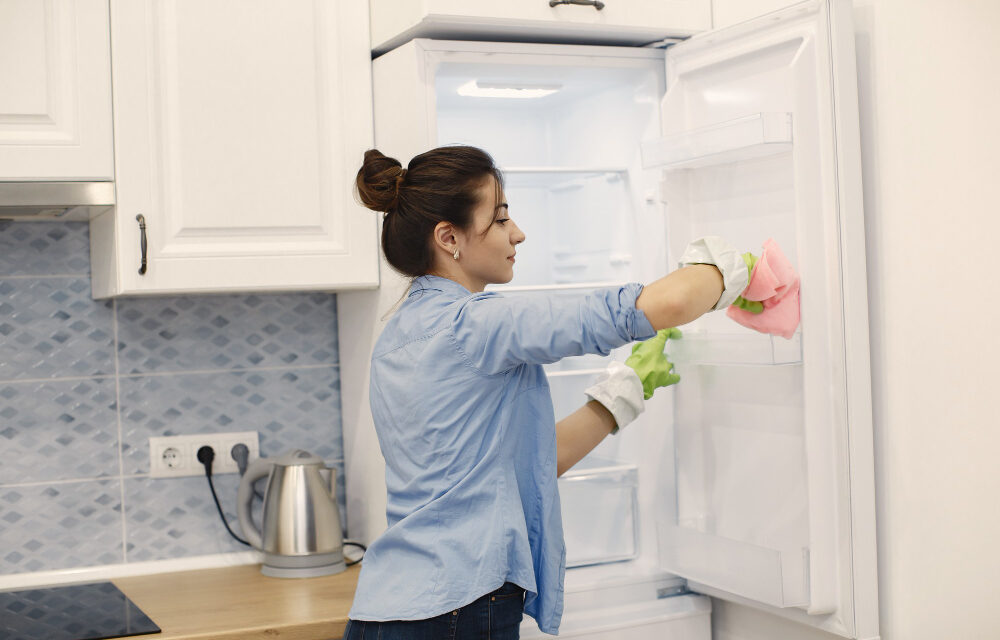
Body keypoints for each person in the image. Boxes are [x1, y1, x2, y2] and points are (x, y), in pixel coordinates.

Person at [344, 145, 749, 639]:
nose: (517, 233)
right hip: (459, 608)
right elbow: (664, 303)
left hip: (384, 613)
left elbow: (523, 464)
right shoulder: (478, 324)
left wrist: (623, 392)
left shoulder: (397, 335)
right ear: (449, 237)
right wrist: (732, 268)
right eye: (499, 219)